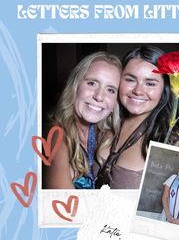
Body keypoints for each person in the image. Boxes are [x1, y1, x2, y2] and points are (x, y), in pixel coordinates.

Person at [95, 45, 174, 189]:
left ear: (164, 90)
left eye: (150, 83)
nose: (138, 91)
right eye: (130, 80)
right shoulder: (103, 120)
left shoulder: (171, 140)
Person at [43, 51, 121, 189]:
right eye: (92, 83)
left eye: (110, 90)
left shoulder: (100, 133)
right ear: (75, 85)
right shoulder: (55, 135)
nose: (99, 96)